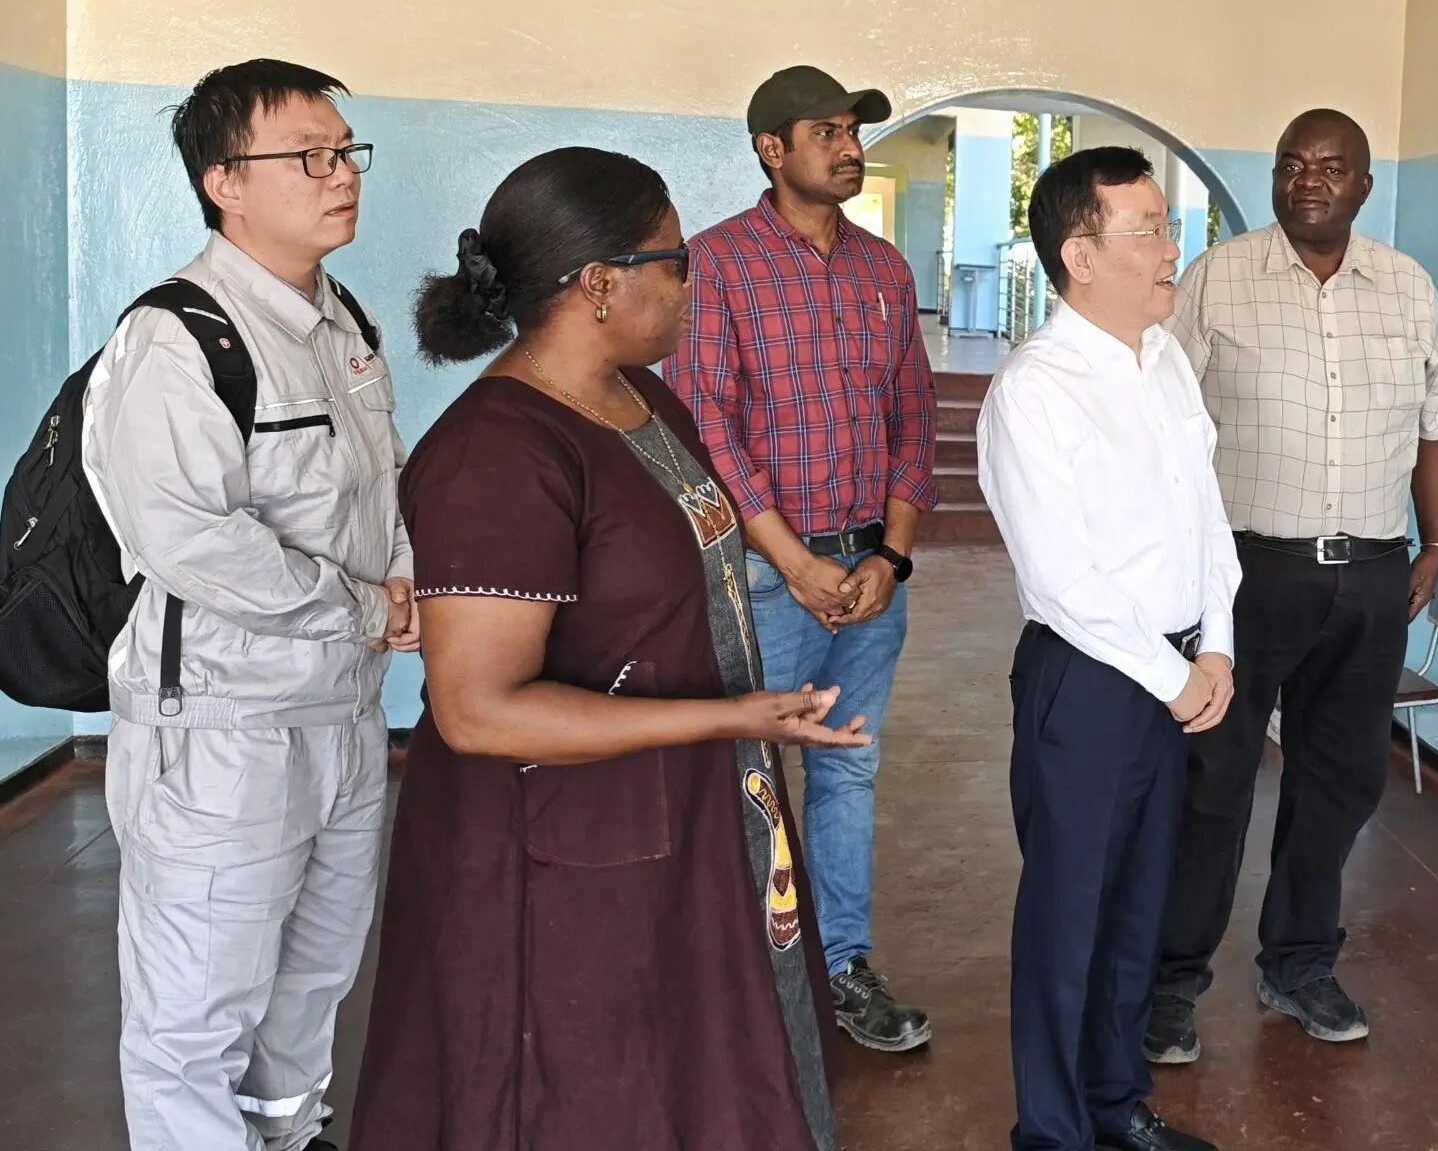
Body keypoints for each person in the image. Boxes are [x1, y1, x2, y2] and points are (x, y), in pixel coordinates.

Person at [351, 147, 864, 1150]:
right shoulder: (498, 453)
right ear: (597, 282)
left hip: (684, 807)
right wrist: (731, 716)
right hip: (559, 851)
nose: (691, 285)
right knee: (579, 1093)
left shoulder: (643, 401)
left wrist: (737, 725)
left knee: (689, 1073)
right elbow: (478, 709)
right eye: (675, 262)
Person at [84, 59, 412, 1151]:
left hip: (343, 716)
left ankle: (288, 1134)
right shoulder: (178, 339)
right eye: (309, 156)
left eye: (346, 152)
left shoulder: (342, 320)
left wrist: (399, 582)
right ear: (224, 182)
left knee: (311, 982)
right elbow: (190, 540)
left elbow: (380, 485)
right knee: (195, 1014)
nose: (341, 174)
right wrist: (363, 606)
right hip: (223, 732)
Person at [1148, 108, 1438, 1062]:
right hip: (1246, 574)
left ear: (1364, 185)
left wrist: (1434, 546)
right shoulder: (1218, 279)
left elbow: (1437, 425)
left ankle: (1299, 964)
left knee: (1340, 780)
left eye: (1331, 167)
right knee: (1214, 776)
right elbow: (1162, 423)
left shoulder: (1408, 287)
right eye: (1292, 164)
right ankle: (1171, 980)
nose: (1308, 180)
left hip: (1370, 577)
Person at [665, 64, 940, 1052]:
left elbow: (913, 419)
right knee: (738, 776)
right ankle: (729, 980)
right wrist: (792, 563)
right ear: (771, 150)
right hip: (762, 579)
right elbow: (708, 430)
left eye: (852, 131)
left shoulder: (884, 271)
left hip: (870, 578)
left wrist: (891, 558)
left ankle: (841, 969)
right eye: (825, 132)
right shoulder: (715, 265)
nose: (848, 147)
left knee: (847, 772)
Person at [978, 147, 1238, 1151]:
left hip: (1178, 672)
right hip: (1089, 682)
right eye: (1150, 230)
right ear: (1080, 256)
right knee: (1068, 917)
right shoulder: (1035, 390)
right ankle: (1052, 1133)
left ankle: (1115, 1104)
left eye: (1168, 227)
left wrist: (1216, 648)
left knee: (1137, 908)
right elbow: (1063, 580)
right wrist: (1177, 678)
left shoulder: (1164, 360)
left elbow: (1206, 520)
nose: (1174, 250)